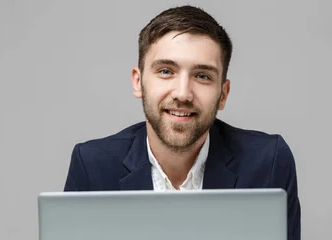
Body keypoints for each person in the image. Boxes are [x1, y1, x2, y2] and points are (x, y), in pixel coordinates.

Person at [63, 5, 300, 240]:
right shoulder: (92, 166)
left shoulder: (268, 163)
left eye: (202, 76)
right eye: (166, 71)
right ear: (138, 82)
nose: (183, 93)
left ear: (223, 94)